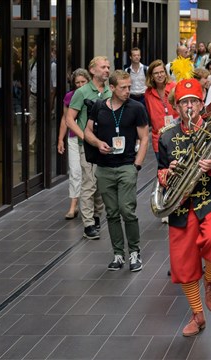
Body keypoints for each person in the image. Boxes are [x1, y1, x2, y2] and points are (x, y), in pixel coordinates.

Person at [157, 78, 211, 336]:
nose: (189, 107)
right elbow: (159, 171)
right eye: (184, 103)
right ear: (176, 108)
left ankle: (210, 278)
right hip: (180, 204)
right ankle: (197, 314)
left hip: (209, 197)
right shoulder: (167, 136)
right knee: (183, 263)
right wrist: (168, 173)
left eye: (193, 101)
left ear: (201, 104)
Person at [84, 70, 149, 271]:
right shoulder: (99, 108)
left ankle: (135, 252)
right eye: (123, 87)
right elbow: (87, 131)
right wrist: (97, 143)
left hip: (127, 166)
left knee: (126, 210)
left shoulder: (136, 108)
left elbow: (144, 137)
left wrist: (137, 164)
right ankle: (118, 254)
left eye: (129, 86)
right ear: (112, 88)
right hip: (104, 168)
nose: (128, 91)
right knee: (111, 213)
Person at [65, 56, 111, 240]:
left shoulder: (110, 90)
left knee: (101, 185)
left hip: (107, 146)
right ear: (92, 70)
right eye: (103, 67)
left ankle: (97, 216)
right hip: (88, 147)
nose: (107, 70)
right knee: (89, 184)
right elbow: (69, 119)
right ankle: (88, 224)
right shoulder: (82, 92)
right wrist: (86, 137)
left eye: (108, 67)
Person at [57, 68, 91, 220]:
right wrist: (60, 139)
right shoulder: (69, 97)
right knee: (75, 171)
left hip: (90, 138)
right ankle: (73, 205)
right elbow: (65, 119)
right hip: (72, 138)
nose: (80, 85)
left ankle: (88, 204)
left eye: (83, 82)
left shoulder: (93, 95)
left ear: (88, 81)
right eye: (77, 82)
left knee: (89, 173)